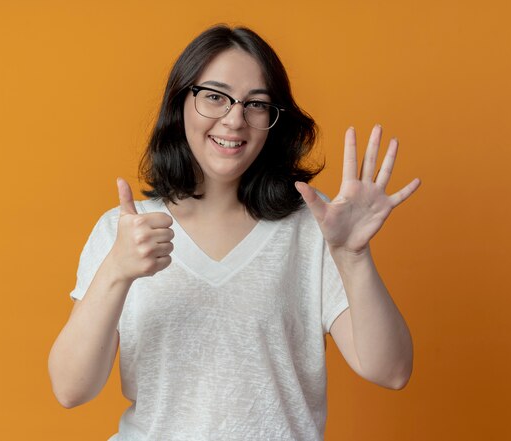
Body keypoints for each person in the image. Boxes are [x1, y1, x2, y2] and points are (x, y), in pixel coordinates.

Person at [48, 25, 420, 441]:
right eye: (214, 96)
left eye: (256, 104)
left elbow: (391, 371)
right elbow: (71, 389)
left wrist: (353, 257)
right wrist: (116, 270)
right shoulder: (124, 230)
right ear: (181, 102)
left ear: (273, 121)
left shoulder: (312, 227)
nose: (234, 119)